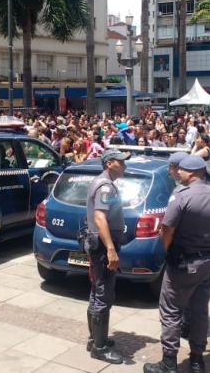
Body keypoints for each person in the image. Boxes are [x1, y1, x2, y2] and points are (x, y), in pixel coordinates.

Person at [144, 155, 210, 373]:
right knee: (199, 311)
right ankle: (197, 360)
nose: (177, 173)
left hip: (184, 263)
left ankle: (168, 363)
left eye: (180, 170)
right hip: (208, 261)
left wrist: (167, 250)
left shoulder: (181, 195)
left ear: (190, 172)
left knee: (171, 311)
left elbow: (167, 228)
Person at [84, 149, 129, 364]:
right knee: (103, 294)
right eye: (121, 162)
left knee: (97, 291)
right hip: (103, 248)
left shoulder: (103, 182)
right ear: (109, 163)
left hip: (98, 246)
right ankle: (99, 348)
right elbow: (100, 218)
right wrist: (110, 248)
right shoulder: (105, 186)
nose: (124, 165)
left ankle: (95, 339)